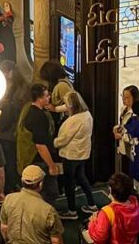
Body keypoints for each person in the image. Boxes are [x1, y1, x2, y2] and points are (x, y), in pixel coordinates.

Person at [55, 91, 96, 219]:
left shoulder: (74, 120)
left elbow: (64, 139)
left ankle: (72, 211)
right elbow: (71, 104)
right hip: (82, 154)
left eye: (66, 104)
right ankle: (92, 204)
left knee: (69, 183)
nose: (65, 107)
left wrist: (53, 143)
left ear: (71, 105)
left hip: (70, 155)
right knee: (82, 178)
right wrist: (55, 108)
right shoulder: (87, 115)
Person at [0, 165, 64, 244]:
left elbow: (4, 228)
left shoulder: (8, 199)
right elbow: (56, 241)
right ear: (40, 184)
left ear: (22, 181)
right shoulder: (48, 210)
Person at [18, 83, 60, 204]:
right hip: (39, 159)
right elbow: (40, 145)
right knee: (49, 192)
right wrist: (52, 165)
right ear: (39, 98)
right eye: (47, 96)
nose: (49, 98)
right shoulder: (38, 117)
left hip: (32, 159)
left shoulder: (28, 109)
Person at [86, 173, 139, 244]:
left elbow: (99, 237)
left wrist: (93, 221)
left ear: (111, 191)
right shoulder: (136, 205)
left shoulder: (108, 211)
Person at [0, 61, 28, 193]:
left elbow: (8, 116)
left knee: (8, 163)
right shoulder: (21, 87)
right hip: (12, 132)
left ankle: (9, 188)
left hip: (8, 134)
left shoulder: (17, 93)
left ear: (10, 73)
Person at [114, 86, 139, 174]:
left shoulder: (136, 114)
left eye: (127, 97)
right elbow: (123, 125)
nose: (124, 99)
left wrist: (121, 136)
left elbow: (135, 135)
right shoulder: (124, 109)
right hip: (122, 147)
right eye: (123, 96)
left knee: (128, 174)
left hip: (131, 150)